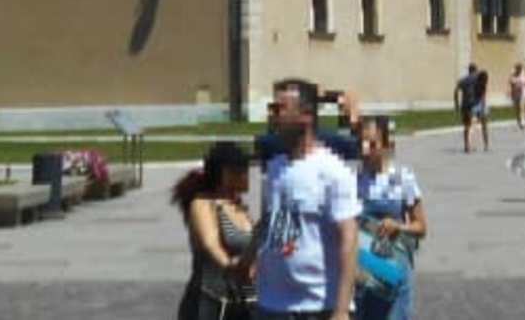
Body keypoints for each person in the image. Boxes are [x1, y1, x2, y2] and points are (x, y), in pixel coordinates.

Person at [256, 78, 360, 319]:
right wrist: (249, 258)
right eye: (272, 108)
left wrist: (342, 310)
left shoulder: (332, 171)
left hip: (316, 306)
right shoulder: (275, 167)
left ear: (306, 116)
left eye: (280, 109)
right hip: (272, 304)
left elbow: (349, 238)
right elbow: (268, 221)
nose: (273, 116)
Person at [355, 115, 427, 320]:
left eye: (372, 144)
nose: (365, 150)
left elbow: (421, 227)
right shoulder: (354, 182)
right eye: (361, 143)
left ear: (387, 145)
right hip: (363, 276)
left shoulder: (403, 178)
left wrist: (399, 227)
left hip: (393, 272)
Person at [173, 139, 254, 320]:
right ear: (223, 174)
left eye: (245, 169)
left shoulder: (239, 207)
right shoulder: (203, 204)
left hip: (241, 302)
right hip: (209, 302)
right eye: (239, 170)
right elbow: (210, 244)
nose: (246, 175)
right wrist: (229, 265)